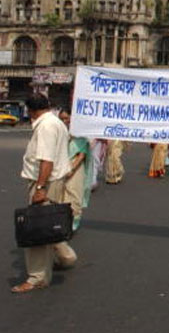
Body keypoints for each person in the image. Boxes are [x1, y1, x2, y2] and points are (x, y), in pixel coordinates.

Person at [11, 94, 77, 293]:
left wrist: (40, 188)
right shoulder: (55, 123)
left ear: (31, 111)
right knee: (49, 222)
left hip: (45, 181)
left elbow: (46, 160)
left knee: (37, 228)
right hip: (52, 180)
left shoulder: (47, 126)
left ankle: (37, 277)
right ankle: (66, 256)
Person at [58, 109, 93, 231]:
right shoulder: (60, 133)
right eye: (61, 119)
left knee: (74, 195)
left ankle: (73, 223)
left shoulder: (80, 135)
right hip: (61, 168)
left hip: (75, 169)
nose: (64, 121)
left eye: (66, 118)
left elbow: (81, 154)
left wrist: (72, 169)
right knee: (60, 196)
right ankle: (62, 222)